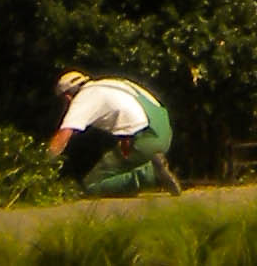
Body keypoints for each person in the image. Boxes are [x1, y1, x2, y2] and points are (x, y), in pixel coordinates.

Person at [49, 68, 181, 195]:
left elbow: (63, 136)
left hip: (145, 140)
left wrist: (42, 163)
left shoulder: (84, 98)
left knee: (92, 184)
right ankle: (148, 169)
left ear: (67, 97)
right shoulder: (112, 83)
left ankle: (151, 174)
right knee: (120, 161)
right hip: (163, 131)